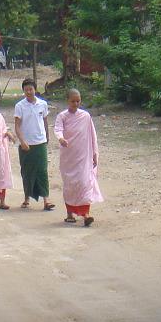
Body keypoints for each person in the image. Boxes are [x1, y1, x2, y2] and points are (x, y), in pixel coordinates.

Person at [53, 87, 103, 226]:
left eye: (78, 101)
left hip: (84, 155)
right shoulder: (62, 116)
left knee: (85, 182)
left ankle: (86, 214)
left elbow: (92, 135)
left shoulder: (86, 116)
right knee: (70, 184)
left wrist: (94, 153)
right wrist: (61, 138)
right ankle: (70, 213)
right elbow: (58, 129)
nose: (76, 104)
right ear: (67, 101)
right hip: (68, 156)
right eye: (73, 101)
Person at [12, 78, 54, 211]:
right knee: (27, 171)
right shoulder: (20, 106)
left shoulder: (43, 104)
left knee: (42, 171)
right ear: (23, 91)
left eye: (31, 89)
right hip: (26, 144)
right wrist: (22, 141)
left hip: (40, 142)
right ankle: (26, 198)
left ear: (35, 89)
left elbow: (45, 121)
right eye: (26, 90)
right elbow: (17, 126)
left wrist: (47, 136)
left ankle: (46, 200)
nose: (29, 92)